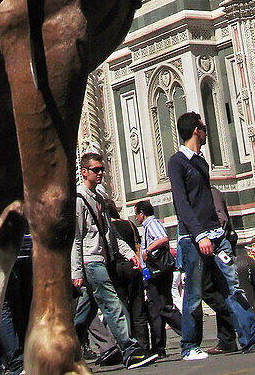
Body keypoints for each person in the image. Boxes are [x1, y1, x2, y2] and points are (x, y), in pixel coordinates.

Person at [167, 111, 255, 357]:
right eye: (204, 127)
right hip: (194, 240)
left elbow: (205, 201)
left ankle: (252, 338)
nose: (207, 131)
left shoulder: (201, 162)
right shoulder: (177, 162)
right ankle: (189, 347)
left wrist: (216, 231)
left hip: (216, 236)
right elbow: (182, 204)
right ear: (195, 131)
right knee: (193, 294)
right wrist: (200, 236)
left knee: (233, 288)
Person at [71, 152, 154, 369]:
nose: (100, 173)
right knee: (112, 303)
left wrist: (130, 255)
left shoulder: (98, 199)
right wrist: (76, 272)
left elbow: (112, 235)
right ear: (84, 172)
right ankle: (130, 349)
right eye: (96, 170)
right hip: (91, 262)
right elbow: (76, 238)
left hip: (102, 259)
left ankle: (66, 350)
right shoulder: (79, 200)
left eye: (102, 169)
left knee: (85, 313)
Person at [135, 200, 181, 357]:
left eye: (137, 214)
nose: (136, 218)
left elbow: (163, 238)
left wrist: (147, 250)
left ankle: (189, 332)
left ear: (142, 213)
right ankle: (158, 347)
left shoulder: (151, 223)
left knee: (163, 307)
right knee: (154, 310)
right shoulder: (148, 225)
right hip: (153, 273)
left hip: (159, 272)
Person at [108, 203, 150, 355]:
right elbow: (137, 243)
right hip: (133, 266)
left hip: (116, 269)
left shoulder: (106, 227)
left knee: (122, 308)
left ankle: (130, 347)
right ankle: (145, 346)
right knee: (138, 307)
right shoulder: (129, 224)